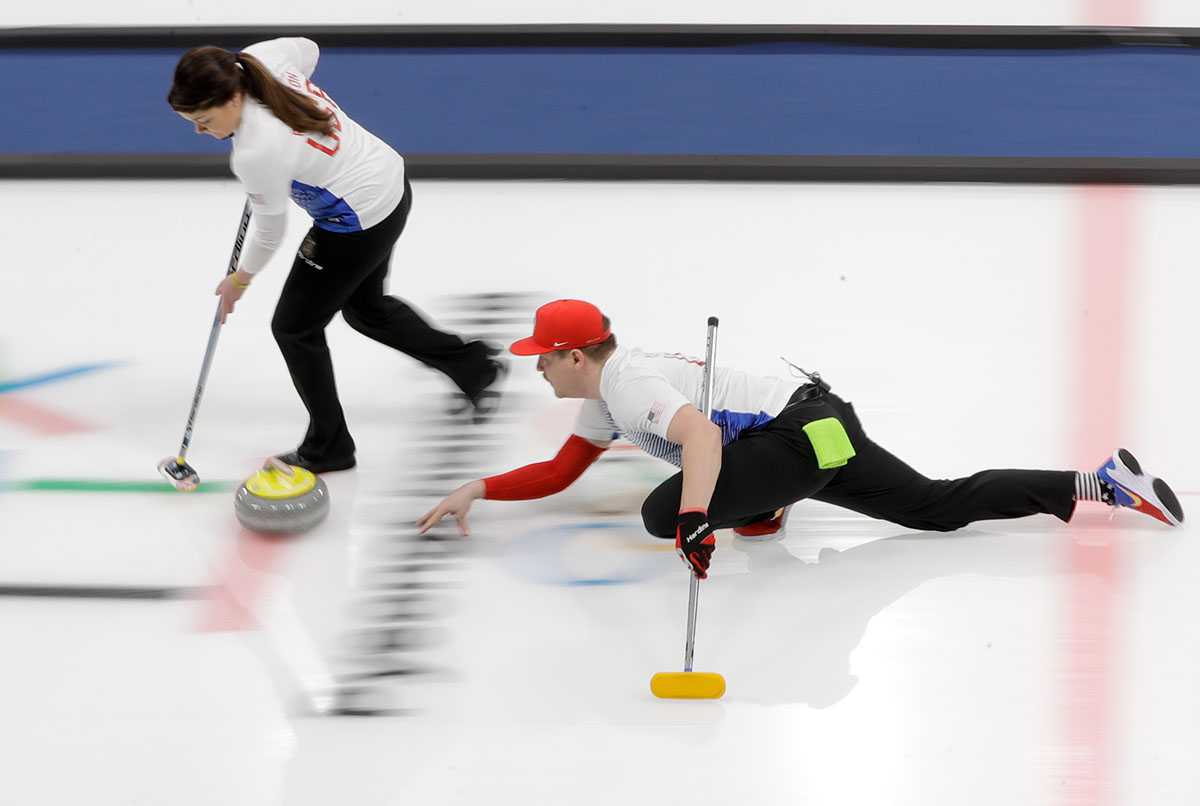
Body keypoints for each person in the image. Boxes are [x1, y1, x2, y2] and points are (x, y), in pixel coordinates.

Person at [417, 299, 1183, 577]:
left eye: (543, 357)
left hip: (806, 434)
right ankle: (1100, 482)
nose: (538, 368)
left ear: (576, 356)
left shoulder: (631, 385)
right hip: (817, 430)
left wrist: (690, 521)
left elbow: (701, 445)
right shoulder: (603, 399)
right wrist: (478, 488)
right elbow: (559, 472)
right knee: (935, 508)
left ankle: (765, 505)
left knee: (660, 513)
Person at [167, 37, 502, 473]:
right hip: (388, 184)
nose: (201, 132)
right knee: (367, 310)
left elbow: (270, 230)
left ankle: (330, 446)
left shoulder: (256, 149)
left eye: (205, 120)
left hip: (355, 220)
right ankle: (474, 366)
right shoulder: (260, 61)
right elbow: (306, 49)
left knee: (294, 328)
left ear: (233, 97)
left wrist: (240, 280)